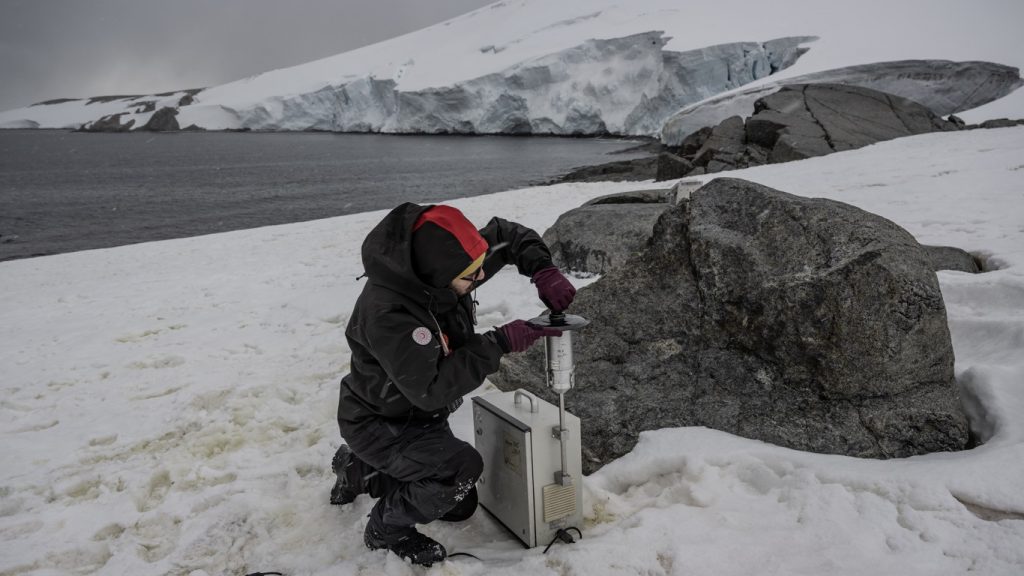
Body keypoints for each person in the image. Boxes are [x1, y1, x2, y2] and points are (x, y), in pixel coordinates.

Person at [331, 202, 576, 566]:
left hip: (415, 413)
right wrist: (498, 343)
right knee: (460, 471)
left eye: (480, 271)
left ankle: (362, 470)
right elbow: (430, 391)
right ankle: (386, 528)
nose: (480, 279)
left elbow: (507, 237)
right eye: (470, 277)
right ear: (436, 275)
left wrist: (542, 268)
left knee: (461, 506)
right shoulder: (389, 314)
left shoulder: (451, 263)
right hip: (381, 422)